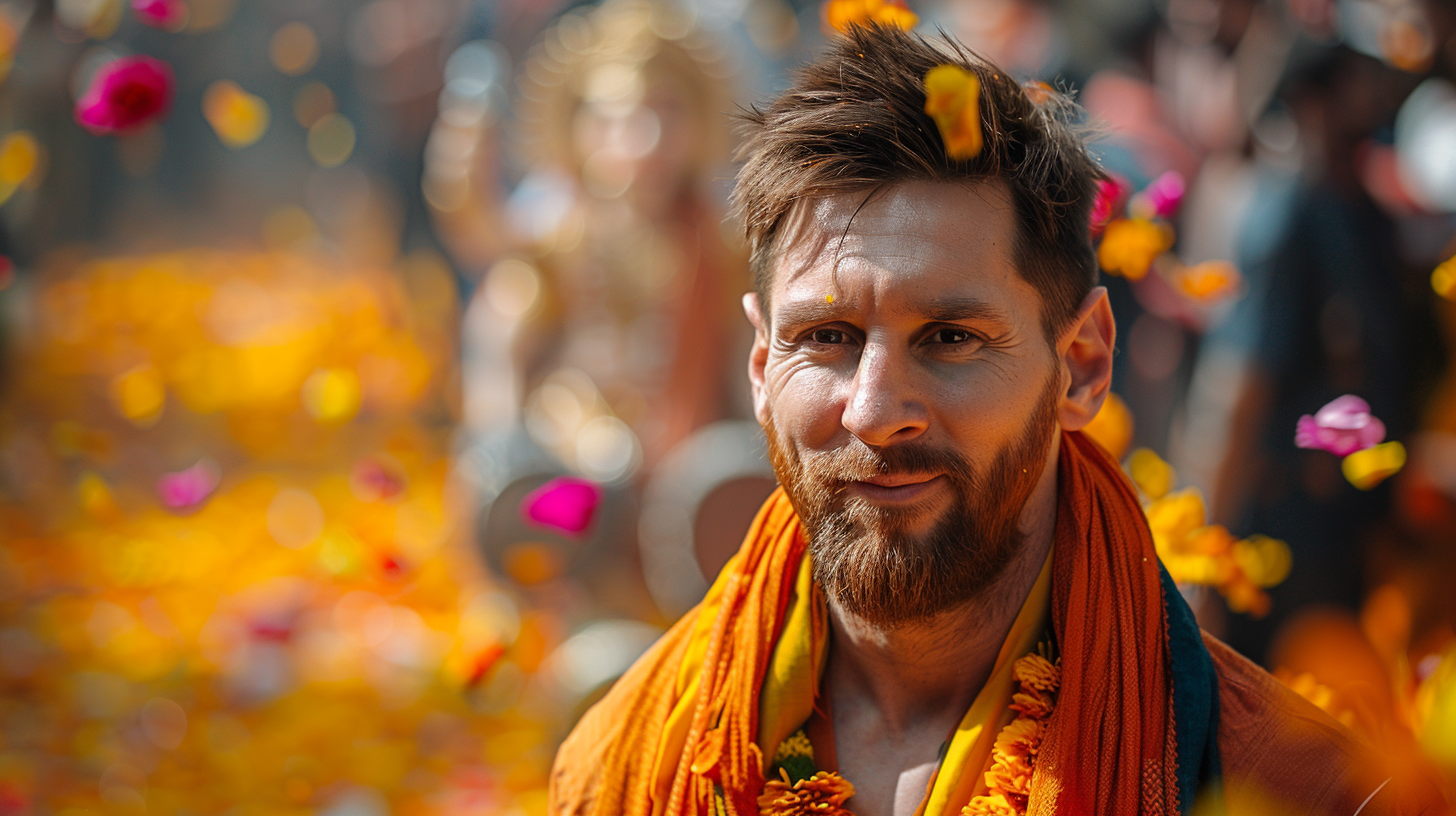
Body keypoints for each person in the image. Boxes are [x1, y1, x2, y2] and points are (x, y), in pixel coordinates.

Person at [547, 23, 1442, 816]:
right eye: (825, 337)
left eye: (950, 337)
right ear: (759, 366)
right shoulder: (621, 767)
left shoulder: (1294, 788)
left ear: (1082, 364)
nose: (874, 410)